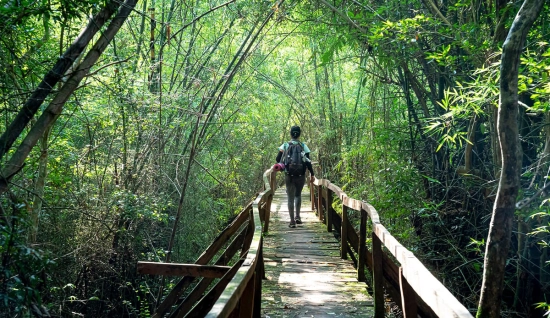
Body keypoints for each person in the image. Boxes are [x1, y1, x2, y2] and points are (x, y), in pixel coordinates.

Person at [276, 126, 315, 228]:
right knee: (298, 195)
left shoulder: (285, 145)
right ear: (299, 134)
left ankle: (292, 221)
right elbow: (308, 162)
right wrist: (312, 174)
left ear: (290, 134)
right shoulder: (303, 145)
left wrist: (281, 165)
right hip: (301, 175)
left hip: (289, 174)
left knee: (290, 198)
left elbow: (278, 159)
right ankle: (298, 217)